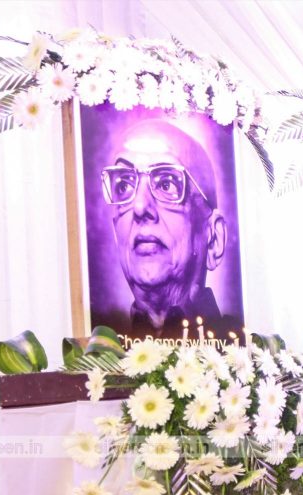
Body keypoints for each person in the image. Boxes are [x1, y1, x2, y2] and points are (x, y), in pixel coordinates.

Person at [101, 120, 240, 340]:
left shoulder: (243, 356)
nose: (139, 206)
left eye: (167, 184)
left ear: (214, 240)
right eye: (124, 185)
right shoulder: (99, 361)